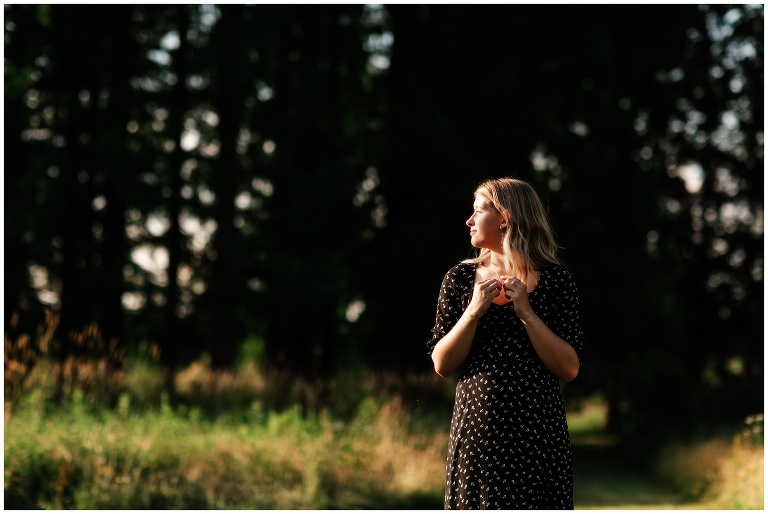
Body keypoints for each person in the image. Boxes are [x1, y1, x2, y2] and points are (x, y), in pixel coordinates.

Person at [427, 177, 584, 509]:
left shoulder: (557, 281)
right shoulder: (459, 279)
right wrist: (473, 312)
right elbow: (441, 364)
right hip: (477, 439)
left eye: (478, 211)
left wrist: (527, 314)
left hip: (539, 440)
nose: (469, 221)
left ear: (505, 218)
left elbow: (569, 368)